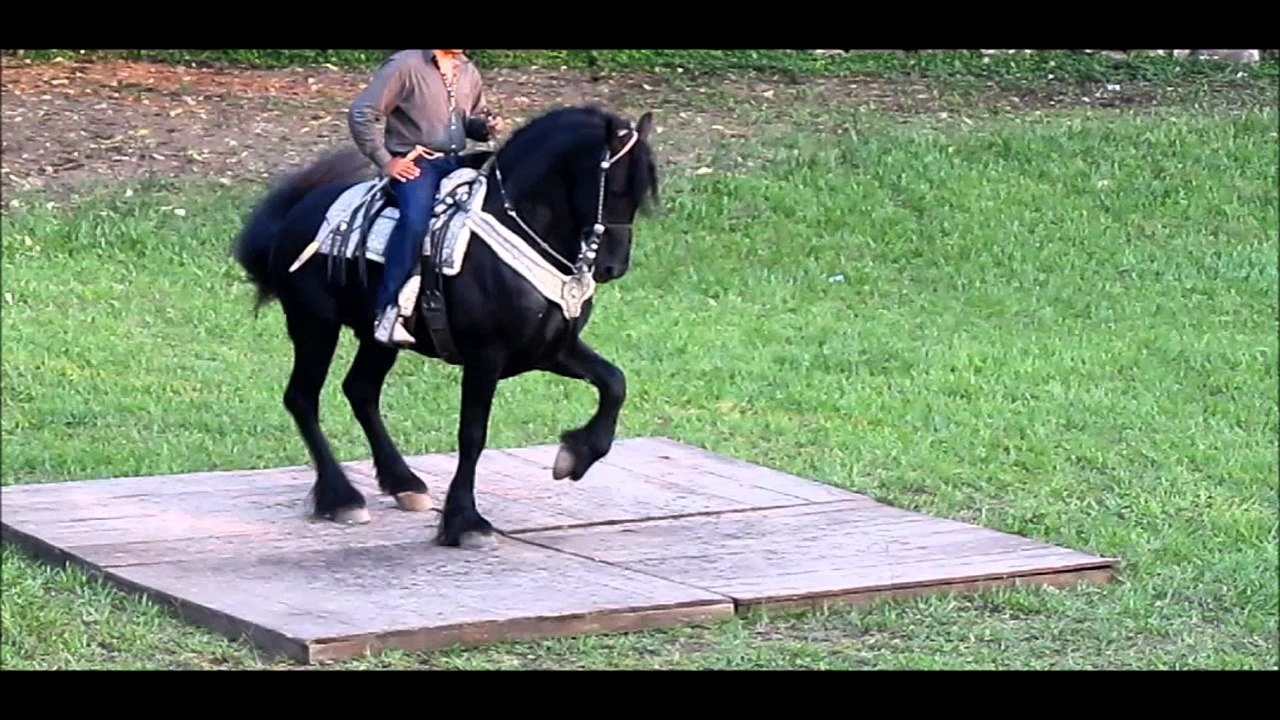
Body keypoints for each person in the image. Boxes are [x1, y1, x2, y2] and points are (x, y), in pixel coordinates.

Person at [348, 49, 504, 346]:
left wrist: (485, 127)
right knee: (415, 221)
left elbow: (470, 120)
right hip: (418, 163)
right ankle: (388, 309)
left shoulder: (467, 69)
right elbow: (361, 112)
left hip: (457, 160)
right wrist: (385, 160)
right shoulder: (405, 65)